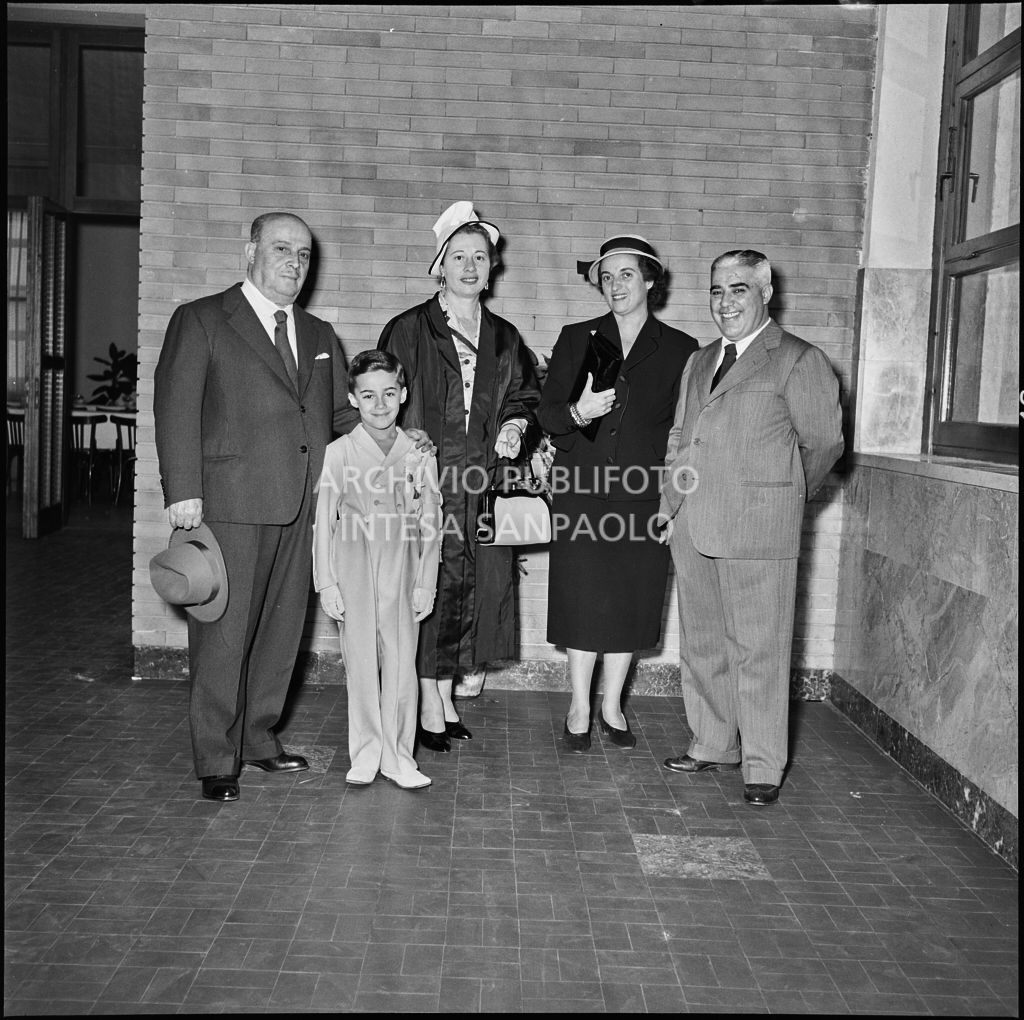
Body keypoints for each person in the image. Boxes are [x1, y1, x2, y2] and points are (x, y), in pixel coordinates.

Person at [153, 211, 362, 802]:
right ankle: (216, 756)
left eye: (303, 254)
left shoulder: (320, 335)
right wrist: (183, 490)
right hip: (229, 503)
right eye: (281, 249)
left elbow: (337, 416)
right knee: (224, 632)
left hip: (305, 501)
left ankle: (259, 736)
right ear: (250, 254)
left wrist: (394, 433)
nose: (294, 262)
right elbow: (175, 407)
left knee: (281, 628)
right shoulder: (202, 319)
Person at [658, 249, 843, 806]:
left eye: (737, 289)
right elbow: (680, 438)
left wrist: (779, 499)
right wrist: (670, 504)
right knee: (704, 644)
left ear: (766, 292)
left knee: (759, 650)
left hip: (760, 529)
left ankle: (762, 763)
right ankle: (713, 743)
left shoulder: (798, 359)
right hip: (694, 524)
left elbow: (825, 444)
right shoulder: (699, 360)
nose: (725, 301)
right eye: (716, 290)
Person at [378, 201, 540, 752]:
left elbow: (524, 395)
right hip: (428, 485)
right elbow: (383, 401)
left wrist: (517, 426)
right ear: (439, 265)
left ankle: (445, 697)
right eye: (459, 256)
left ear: (492, 267)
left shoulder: (505, 335)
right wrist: (408, 443)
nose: (470, 266)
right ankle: (427, 702)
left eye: (480, 257)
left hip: (484, 484)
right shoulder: (408, 329)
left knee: (473, 590)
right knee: (432, 588)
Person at [538, 235, 699, 752]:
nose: (615, 285)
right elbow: (548, 414)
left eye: (626, 274)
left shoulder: (680, 349)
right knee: (582, 601)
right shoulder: (576, 337)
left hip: (642, 496)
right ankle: (580, 705)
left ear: (651, 280)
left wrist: (672, 501)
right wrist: (580, 413)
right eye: (606, 277)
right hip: (581, 489)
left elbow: (684, 433)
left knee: (630, 601)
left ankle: (612, 706)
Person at [312, 350, 442, 789]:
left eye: (389, 393)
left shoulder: (419, 454)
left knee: (403, 661)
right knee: (362, 663)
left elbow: (432, 523)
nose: (380, 404)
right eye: (368, 396)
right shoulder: (340, 452)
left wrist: (426, 582)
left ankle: (399, 756)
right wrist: (325, 582)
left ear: (403, 395)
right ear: (353, 398)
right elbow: (323, 520)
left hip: (402, 563)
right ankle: (366, 752)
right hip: (353, 561)